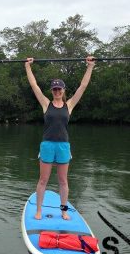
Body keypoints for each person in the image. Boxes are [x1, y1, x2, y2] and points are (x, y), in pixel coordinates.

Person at [25, 56, 96, 220]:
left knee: (63, 182)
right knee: (43, 180)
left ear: (63, 91)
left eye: (59, 89)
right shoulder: (46, 104)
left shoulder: (69, 105)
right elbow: (34, 86)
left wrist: (90, 66)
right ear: (52, 91)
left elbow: (83, 86)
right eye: (54, 89)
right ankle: (39, 210)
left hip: (63, 146)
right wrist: (28, 67)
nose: (57, 91)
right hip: (47, 145)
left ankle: (63, 211)